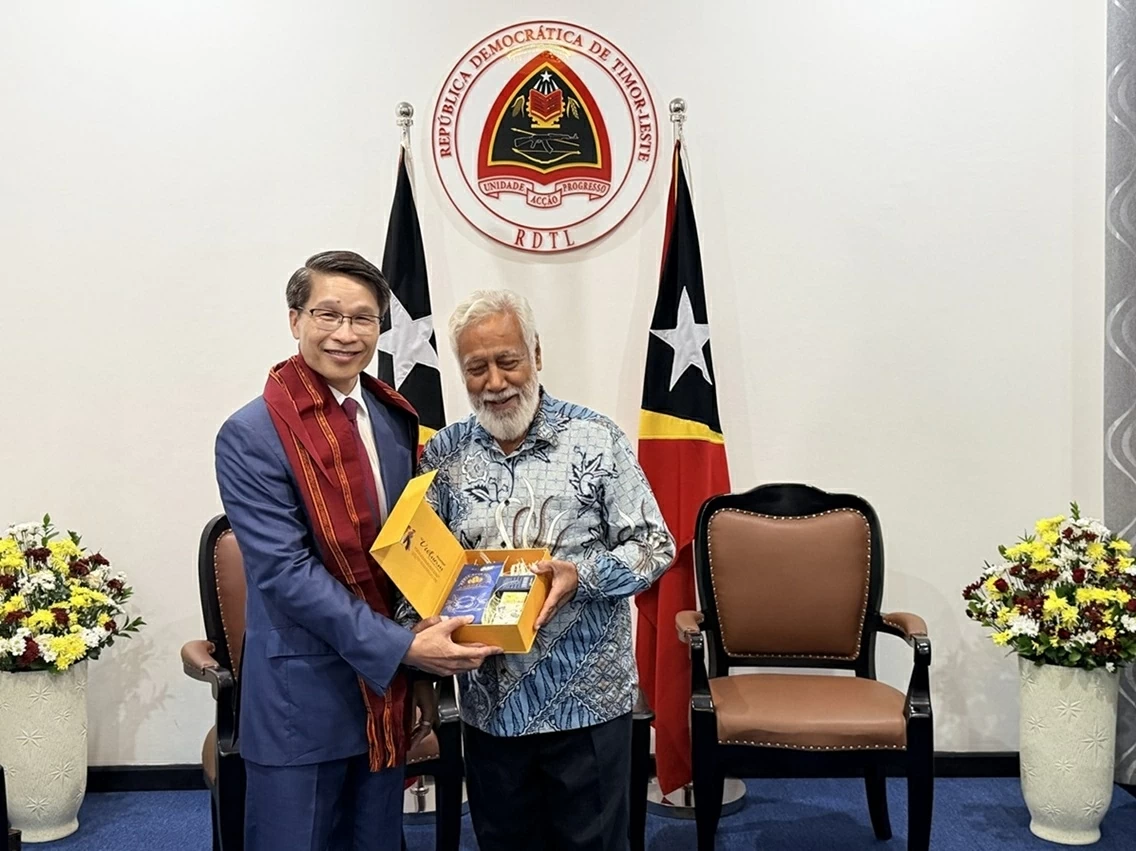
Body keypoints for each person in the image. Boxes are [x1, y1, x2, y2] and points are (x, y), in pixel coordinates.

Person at [214, 250, 502, 851]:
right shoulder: (252, 434)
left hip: (384, 687)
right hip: (302, 696)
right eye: (328, 314)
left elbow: (404, 552)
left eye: (363, 318)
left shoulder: (393, 420)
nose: (345, 334)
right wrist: (405, 648)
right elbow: (286, 573)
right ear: (295, 320)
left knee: (377, 841)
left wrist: (414, 668)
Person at [417, 288, 677, 851]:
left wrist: (583, 577)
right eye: (477, 368)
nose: (495, 382)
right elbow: (420, 565)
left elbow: (655, 545)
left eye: (508, 360)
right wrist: (416, 632)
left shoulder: (595, 438)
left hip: (587, 702)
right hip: (490, 706)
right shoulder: (443, 456)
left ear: (536, 352)